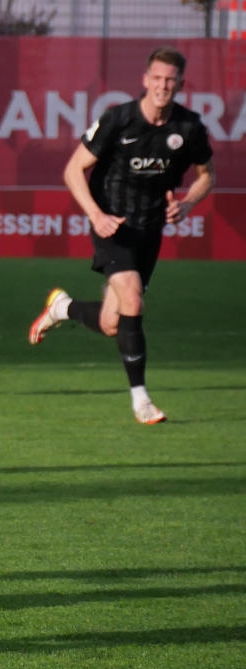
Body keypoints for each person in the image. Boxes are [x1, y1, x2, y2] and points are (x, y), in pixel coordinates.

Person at [28, 46, 214, 425]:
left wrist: (189, 203)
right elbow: (73, 170)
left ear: (180, 84)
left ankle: (61, 308)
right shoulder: (118, 119)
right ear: (145, 80)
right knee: (133, 298)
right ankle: (141, 400)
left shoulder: (189, 127)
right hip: (112, 225)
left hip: (150, 230)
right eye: (157, 78)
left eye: (170, 80)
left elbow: (207, 175)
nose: (163, 86)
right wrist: (96, 215)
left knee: (114, 322)